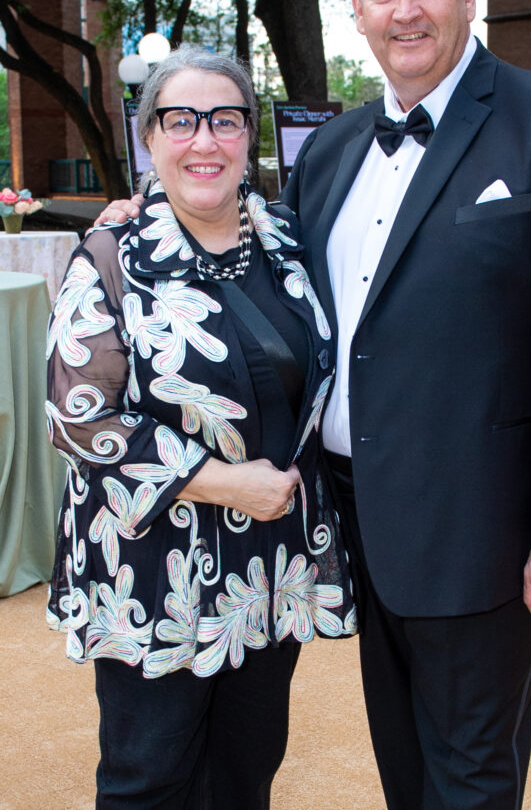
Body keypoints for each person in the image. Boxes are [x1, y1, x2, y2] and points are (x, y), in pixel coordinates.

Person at [99, 0, 531, 810]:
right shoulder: (334, 149)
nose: (407, 11)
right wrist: (142, 217)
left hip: (486, 527)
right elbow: (250, 253)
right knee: (403, 761)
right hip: (352, 524)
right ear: (356, 7)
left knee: (470, 774)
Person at [47, 44, 355, 810]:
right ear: (148, 137)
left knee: (246, 773)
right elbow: (79, 415)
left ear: (250, 135)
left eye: (225, 119)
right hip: (155, 570)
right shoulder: (112, 258)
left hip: (268, 569)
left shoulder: (290, 245)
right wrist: (226, 484)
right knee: (148, 777)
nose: (204, 140)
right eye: (179, 120)